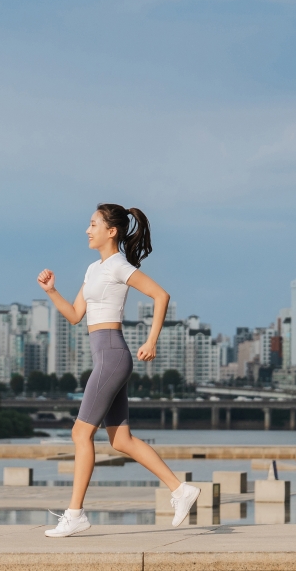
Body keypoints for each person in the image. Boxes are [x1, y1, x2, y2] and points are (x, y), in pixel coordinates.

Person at [37, 204, 200, 537]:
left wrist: (151, 341)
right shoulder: (93, 269)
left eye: (93, 224)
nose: (87, 230)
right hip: (106, 358)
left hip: (112, 356)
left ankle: (75, 514)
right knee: (121, 439)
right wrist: (52, 291)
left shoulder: (118, 266)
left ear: (111, 231)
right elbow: (75, 315)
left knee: (80, 434)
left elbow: (161, 295)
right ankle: (181, 489)